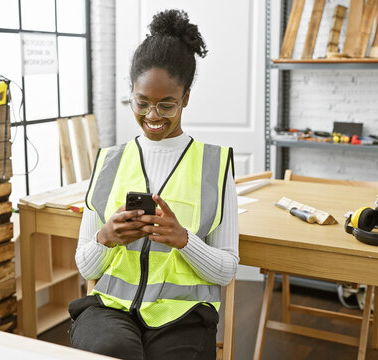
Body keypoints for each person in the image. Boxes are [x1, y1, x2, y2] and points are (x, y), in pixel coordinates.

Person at [69, 9, 239, 360]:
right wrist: (106, 238)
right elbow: (87, 267)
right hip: (111, 308)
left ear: (186, 98)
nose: (152, 116)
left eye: (167, 105)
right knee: (109, 350)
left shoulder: (215, 165)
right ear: (131, 93)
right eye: (141, 103)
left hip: (183, 315)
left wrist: (184, 240)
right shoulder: (108, 162)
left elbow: (226, 269)